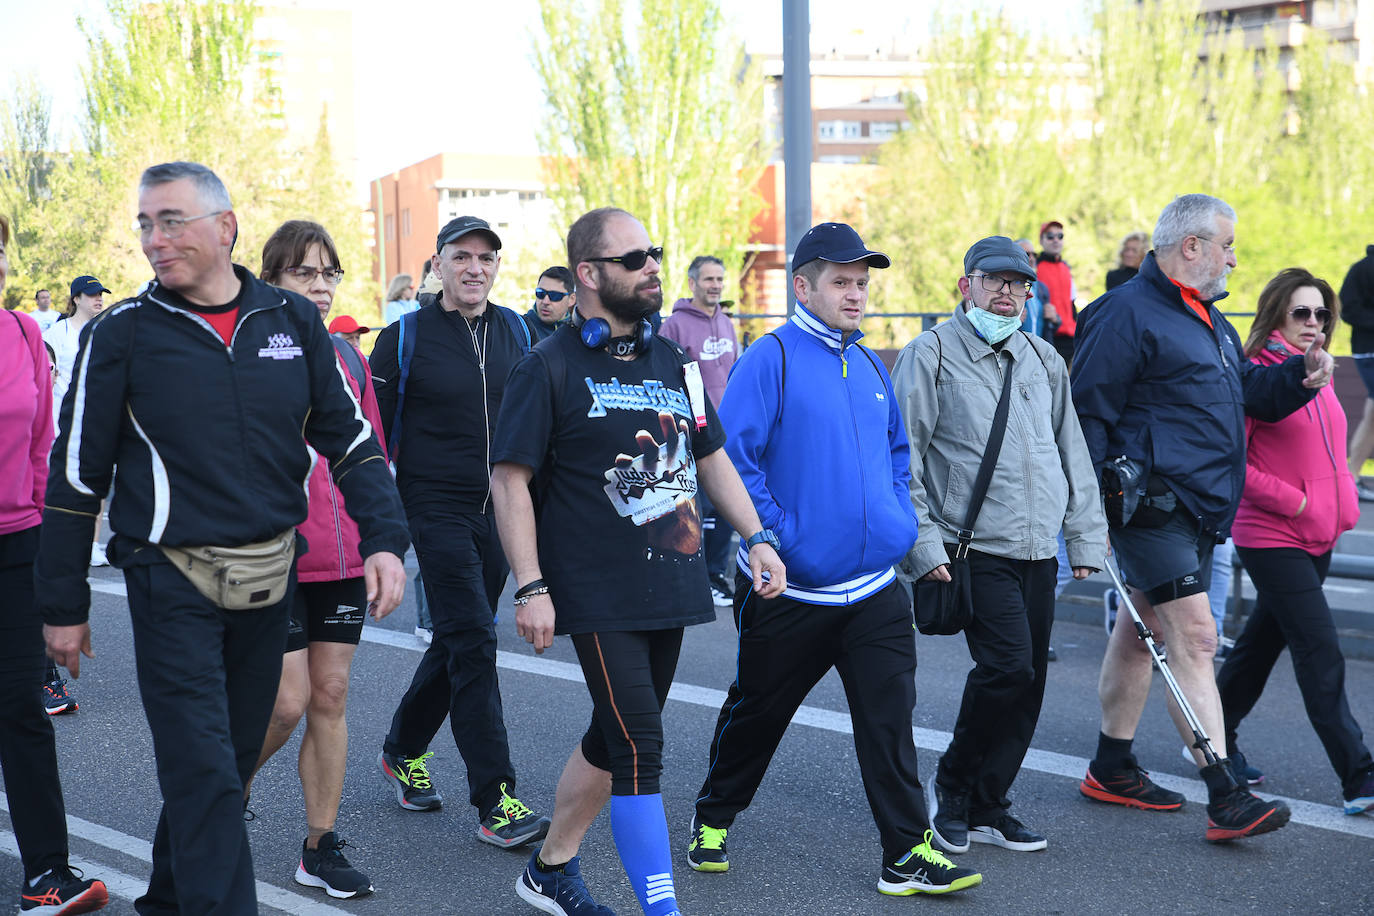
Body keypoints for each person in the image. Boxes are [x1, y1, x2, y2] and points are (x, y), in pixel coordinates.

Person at [35, 161, 409, 915]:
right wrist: (63, 601)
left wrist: (384, 538)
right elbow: (77, 477)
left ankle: (168, 899)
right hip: (169, 583)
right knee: (205, 774)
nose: (154, 238)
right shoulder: (124, 335)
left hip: (270, 578)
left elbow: (354, 438)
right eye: (145, 223)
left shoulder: (291, 321)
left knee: (227, 758)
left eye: (171, 220)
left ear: (224, 227)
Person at [492, 206, 787, 916]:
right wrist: (530, 586)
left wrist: (756, 536)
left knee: (616, 730)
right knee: (639, 747)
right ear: (589, 275)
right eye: (634, 259)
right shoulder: (549, 365)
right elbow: (510, 481)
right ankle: (662, 910)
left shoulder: (673, 361)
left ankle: (550, 867)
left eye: (653, 253)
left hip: (670, 579)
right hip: (593, 588)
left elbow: (709, 455)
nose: (651, 266)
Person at [689, 222, 982, 898]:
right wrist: (780, 536)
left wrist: (897, 524)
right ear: (803, 286)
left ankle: (906, 852)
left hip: (875, 590)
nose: (856, 295)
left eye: (862, 283)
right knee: (758, 713)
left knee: (889, 725)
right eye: (842, 282)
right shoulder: (772, 357)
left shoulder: (872, 363)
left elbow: (897, 454)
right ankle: (714, 817)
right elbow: (734, 460)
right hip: (793, 590)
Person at [1071, 193, 1332, 842]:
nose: (1234, 260)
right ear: (1191, 246)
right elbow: (1086, 414)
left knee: (1141, 634)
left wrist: (1298, 377)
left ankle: (1111, 765)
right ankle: (1226, 794)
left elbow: (1243, 394)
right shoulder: (1125, 312)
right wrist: (1085, 510)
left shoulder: (1208, 322)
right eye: (1227, 246)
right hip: (1146, 506)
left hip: (1195, 509)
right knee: (1196, 635)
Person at [893, 236, 1106, 855]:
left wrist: (1085, 533)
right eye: (995, 281)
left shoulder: (1044, 360)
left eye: (1018, 283)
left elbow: (1073, 453)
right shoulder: (929, 354)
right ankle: (954, 784)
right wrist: (922, 544)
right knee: (1007, 666)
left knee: (1029, 677)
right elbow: (900, 457)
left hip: (1038, 545)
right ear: (967, 286)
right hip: (972, 546)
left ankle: (990, 803)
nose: (1008, 293)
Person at [370, 215, 549, 848]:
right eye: (462, 256)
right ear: (438, 265)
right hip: (434, 504)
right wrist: (381, 532)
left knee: (457, 638)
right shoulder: (402, 338)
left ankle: (402, 748)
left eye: (486, 258)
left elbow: (540, 424)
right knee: (473, 636)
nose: (475, 267)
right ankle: (496, 798)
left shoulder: (520, 332)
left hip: (501, 508)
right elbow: (370, 441)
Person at [244, 220, 384, 898]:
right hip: (273, 554)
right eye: (305, 273)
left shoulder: (352, 359)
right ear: (272, 281)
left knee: (330, 694)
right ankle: (219, 794)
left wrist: (382, 541)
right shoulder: (251, 353)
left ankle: (318, 845)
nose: (321, 285)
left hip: (345, 554)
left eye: (329, 273)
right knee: (285, 702)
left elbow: (373, 455)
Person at [1215, 267, 1374, 815]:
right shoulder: (1257, 376)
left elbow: (1332, 452)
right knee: (1319, 649)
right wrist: (1299, 502)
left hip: (1319, 535)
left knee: (1261, 645)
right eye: (1301, 312)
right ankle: (1360, 777)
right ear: (1276, 315)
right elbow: (1237, 464)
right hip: (1272, 534)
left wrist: (1341, 500)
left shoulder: (1319, 370)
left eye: (1322, 313)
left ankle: (1216, 742)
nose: (1314, 322)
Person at [0, 213, 109, 915]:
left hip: (16, 545)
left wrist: (58, 572)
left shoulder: (22, 334)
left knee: (20, 709)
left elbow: (44, 450)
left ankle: (47, 873)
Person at [659, 255, 740, 607]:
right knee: (698, 509)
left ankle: (717, 576)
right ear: (692, 283)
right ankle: (697, 578)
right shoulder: (675, 325)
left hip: (727, 431)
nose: (716, 285)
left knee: (727, 507)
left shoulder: (727, 322)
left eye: (720, 279)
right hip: (692, 433)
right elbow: (662, 376)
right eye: (709, 279)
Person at [45, 276, 111, 569]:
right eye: (91, 294)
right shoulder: (57, 333)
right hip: (62, 421)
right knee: (59, 486)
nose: (98, 299)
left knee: (96, 483)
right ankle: (56, 541)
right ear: (76, 299)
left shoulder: (106, 329)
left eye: (100, 294)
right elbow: (45, 371)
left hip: (96, 419)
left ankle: (94, 545)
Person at [1338, 245, 1374, 500]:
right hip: (1369, 351)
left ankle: (1351, 476)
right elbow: (1348, 309)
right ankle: (1350, 476)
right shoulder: (1362, 269)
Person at [1035, 220, 1077, 365]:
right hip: (1048, 337)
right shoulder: (1036, 268)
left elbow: (1072, 303)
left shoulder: (1066, 268)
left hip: (1070, 338)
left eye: (1060, 236)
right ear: (1041, 240)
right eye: (1050, 236)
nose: (1055, 240)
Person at [523, 265, 576, 342]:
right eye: (540, 293)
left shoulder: (580, 335)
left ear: (571, 299)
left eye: (554, 295)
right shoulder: (520, 330)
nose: (545, 302)